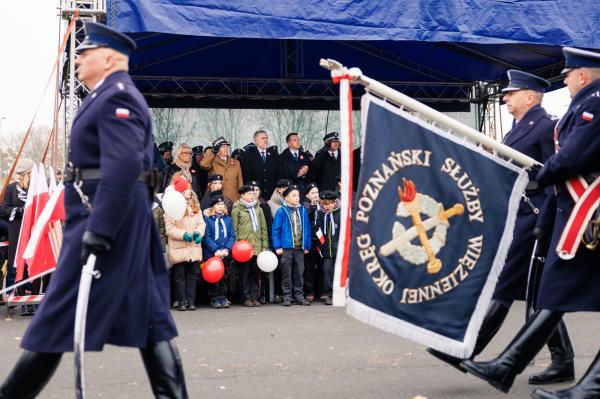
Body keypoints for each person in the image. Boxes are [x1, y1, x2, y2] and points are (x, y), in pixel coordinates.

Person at [0, 22, 188, 398]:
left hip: (107, 219)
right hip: (120, 218)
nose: (79, 59)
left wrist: (100, 229)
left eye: (85, 53)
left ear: (108, 59)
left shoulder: (117, 96)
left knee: (57, 317)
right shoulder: (107, 95)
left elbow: (123, 169)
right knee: (151, 319)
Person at [460, 47, 600, 398]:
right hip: (568, 215)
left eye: (568, 74)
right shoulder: (578, 107)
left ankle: (511, 365)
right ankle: (511, 365)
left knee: (549, 291)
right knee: (552, 292)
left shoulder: (591, 104)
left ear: (582, 75)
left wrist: (539, 175)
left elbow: (570, 159)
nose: (565, 80)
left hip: (581, 214)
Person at [428, 70, 575, 386]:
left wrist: (547, 222)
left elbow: (556, 177)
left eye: (512, 92)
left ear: (531, 96)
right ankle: (563, 360)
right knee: (535, 294)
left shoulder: (546, 126)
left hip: (535, 216)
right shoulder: (517, 128)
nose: (505, 98)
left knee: (504, 284)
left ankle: (464, 349)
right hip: (519, 214)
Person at [0, 159, 35, 315]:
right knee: (20, 265)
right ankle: (23, 302)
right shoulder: (11, 189)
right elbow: (4, 209)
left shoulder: (36, 188)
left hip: (33, 231)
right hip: (17, 232)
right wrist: (20, 210)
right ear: (28, 172)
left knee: (33, 266)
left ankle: (33, 302)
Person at [165, 175, 205, 311]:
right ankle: (181, 301)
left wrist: (199, 233)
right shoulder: (171, 207)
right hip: (179, 247)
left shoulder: (195, 206)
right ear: (180, 191)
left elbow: (201, 223)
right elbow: (170, 229)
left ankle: (191, 300)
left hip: (193, 246)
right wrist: (184, 235)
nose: (190, 191)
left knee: (192, 274)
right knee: (180, 275)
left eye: (190, 188)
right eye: (187, 189)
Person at [272, 185, 312, 306]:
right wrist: (277, 246)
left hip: (300, 247)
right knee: (286, 272)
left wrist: (307, 246)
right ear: (286, 198)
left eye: (298, 195)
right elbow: (276, 230)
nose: (297, 198)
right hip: (286, 247)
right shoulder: (281, 211)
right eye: (293, 196)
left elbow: (307, 229)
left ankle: (299, 296)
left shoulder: (303, 210)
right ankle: (287, 296)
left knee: (299, 272)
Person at [231, 185, 269, 307]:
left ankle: (255, 296)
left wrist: (264, 245)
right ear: (242, 195)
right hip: (243, 248)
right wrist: (236, 245)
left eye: (253, 194)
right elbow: (234, 230)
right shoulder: (237, 210)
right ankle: (246, 297)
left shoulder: (258, 209)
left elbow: (263, 228)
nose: (252, 196)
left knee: (255, 272)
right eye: (249, 194)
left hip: (256, 246)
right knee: (244, 273)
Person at [203, 195, 235, 309]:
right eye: (218, 205)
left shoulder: (228, 219)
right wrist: (216, 249)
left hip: (225, 253)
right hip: (213, 254)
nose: (220, 207)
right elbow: (206, 237)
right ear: (212, 207)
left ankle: (223, 296)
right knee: (215, 277)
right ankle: (215, 297)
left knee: (225, 276)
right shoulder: (207, 220)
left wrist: (227, 248)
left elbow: (232, 236)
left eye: (222, 204)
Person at [248, 180, 274, 304]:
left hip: (260, 242)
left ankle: (260, 294)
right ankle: (248, 296)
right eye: (251, 191)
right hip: (247, 244)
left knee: (260, 271)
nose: (254, 193)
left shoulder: (263, 206)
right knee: (249, 270)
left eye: (257, 191)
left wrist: (266, 243)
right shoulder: (240, 206)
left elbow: (267, 226)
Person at [240, 130, 282, 200]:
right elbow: (247, 177)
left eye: (266, 138)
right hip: (255, 195)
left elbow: (279, 175)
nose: (266, 140)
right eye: (263, 138)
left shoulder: (274, 155)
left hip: (272, 195)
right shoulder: (248, 156)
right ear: (255, 141)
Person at [316, 190, 340, 305]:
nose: (325, 206)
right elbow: (318, 230)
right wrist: (322, 245)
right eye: (323, 204)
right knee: (327, 270)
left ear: (334, 202)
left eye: (327, 204)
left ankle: (342, 294)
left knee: (340, 272)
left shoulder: (342, 212)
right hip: (327, 250)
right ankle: (330, 294)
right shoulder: (320, 213)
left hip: (340, 250)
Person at [200, 137, 243, 201]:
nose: (226, 148)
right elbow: (203, 164)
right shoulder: (212, 161)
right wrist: (212, 151)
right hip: (217, 199)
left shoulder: (236, 162)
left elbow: (240, 183)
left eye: (227, 147)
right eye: (223, 146)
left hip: (233, 199)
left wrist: (241, 198)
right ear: (217, 149)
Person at [302, 183, 323, 302]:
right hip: (310, 240)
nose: (316, 195)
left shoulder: (323, 205)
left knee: (322, 266)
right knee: (309, 267)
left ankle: (322, 291)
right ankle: (309, 291)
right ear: (307, 195)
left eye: (317, 192)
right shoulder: (305, 206)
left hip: (321, 240)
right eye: (313, 193)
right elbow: (305, 219)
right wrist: (312, 207)